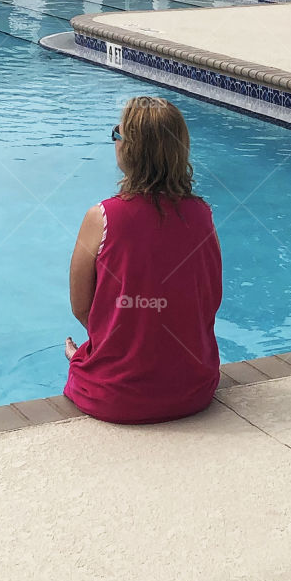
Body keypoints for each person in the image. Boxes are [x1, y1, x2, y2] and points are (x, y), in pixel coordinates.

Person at [63, 96, 222, 424]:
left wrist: (93, 355)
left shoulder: (102, 217)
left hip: (114, 396)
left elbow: (82, 308)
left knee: (78, 362)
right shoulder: (203, 216)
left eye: (116, 134)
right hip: (193, 389)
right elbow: (209, 299)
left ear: (128, 149)